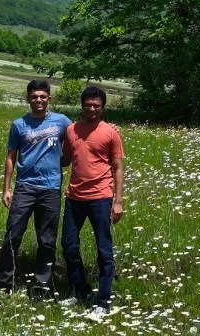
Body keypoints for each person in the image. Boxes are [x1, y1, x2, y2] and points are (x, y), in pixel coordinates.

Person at [0, 79, 72, 301]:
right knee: (12, 235)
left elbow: (82, 135)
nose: (39, 100)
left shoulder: (62, 121)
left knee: (47, 240)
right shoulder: (19, 124)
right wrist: (6, 188)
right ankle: (4, 287)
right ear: (28, 98)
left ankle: (41, 288)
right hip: (25, 187)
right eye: (34, 96)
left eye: (43, 96)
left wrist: (111, 128)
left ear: (49, 98)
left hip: (51, 188)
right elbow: (11, 156)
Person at [60, 85, 124, 319]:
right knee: (68, 246)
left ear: (103, 107)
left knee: (104, 251)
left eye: (97, 105)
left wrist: (118, 201)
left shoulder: (111, 132)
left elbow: (117, 168)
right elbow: (65, 160)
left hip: (101, 198)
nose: (92, 108)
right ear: (82, 106)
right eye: (88, 105)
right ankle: (80, 290)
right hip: (74, 197)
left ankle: (104, 301)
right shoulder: (71, 130)